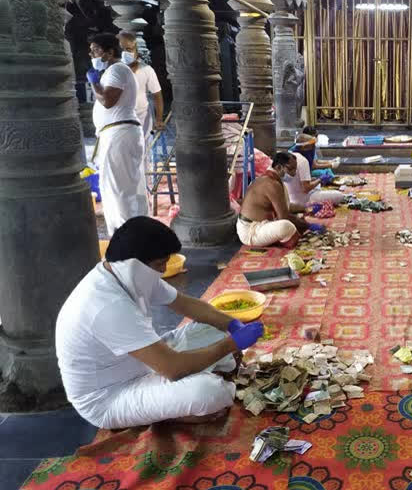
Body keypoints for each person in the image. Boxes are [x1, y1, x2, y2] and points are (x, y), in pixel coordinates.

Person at [56, 217, 265, 429]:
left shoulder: (124, 274)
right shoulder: (106, 305)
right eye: (159, 265)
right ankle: (169, 409)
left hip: (142, 362)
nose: (164, 271)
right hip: (110, 397)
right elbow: (173, 368)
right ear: (134, 265)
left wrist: (232, 325)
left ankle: (177, 393)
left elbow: (186, 304)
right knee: (209, 393)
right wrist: (231, 344)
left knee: (214, 328)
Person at [87, 33, 149, 236]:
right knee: (128, 187)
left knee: (117, 191)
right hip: (119, 133)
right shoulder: (117, 71)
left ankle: (126, 238)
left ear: (109, 52)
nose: (91, 54)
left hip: (119, 134)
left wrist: (93, 83)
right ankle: (136, 235)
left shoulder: (116, 70)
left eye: (96, 50)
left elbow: (107, 100)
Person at [237, 152, 324, 248]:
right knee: (287, 226)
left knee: (297, 219)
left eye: (295, 169)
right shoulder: (271, 184)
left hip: (261, 224)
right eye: (290, 169)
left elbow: (285, 206)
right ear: (278, 167)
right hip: (251, 231)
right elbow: (284, 216)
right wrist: (308, 226)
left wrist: (306, 208)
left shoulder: (274, 180)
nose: (294, 173)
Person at [117, 32, 164, 145]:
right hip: (119, 119)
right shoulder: (114, 70)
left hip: (142, 118)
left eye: (128, 49)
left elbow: (157, 95)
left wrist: (159, 119)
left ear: (135, 50)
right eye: (122, 49)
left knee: (144, 152)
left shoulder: (146, 70)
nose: (125, 53)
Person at [284, 146, 344, 213]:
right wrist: (320, 179)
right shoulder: (303, 161)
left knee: (318, 186)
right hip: (303, 200)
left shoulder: (291, 156)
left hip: (290, 198)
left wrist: (313, 179)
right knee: (339, 196)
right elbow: (306, 188)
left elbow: (298, 181)